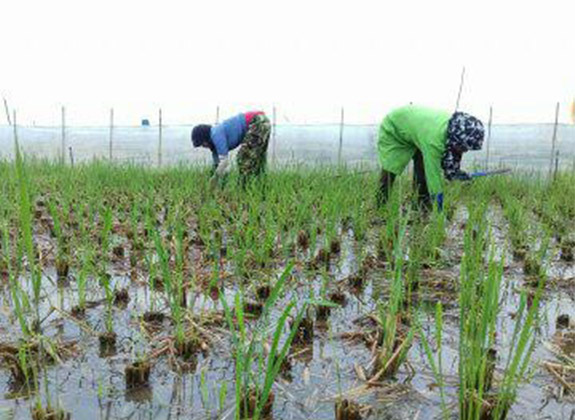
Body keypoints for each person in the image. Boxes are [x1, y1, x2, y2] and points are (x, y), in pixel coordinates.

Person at [376, 104, 485, 210]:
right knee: (390, 168)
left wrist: (457, 174)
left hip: (419, 129)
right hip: (395, 126)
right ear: (457, 138)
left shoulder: (453, 131)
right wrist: (439, 205)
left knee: (421, 165)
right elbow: (433, 176)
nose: (465, 151)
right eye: (464, 147)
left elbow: (451, 158)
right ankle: (380, 205)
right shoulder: (435, 141)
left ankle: (421, 205)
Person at [191, 111, 271, 184]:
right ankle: (260, 187)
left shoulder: (216, 134)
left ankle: (243, 189)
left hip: (256, 122)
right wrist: (214, 179)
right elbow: (218, 166)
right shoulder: (215, 147)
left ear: (206, 138)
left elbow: (224, 162)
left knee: (243, 158)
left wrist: (214, 180)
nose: (204, 147)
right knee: (258, 161)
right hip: (262, 121)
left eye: (202, 144)